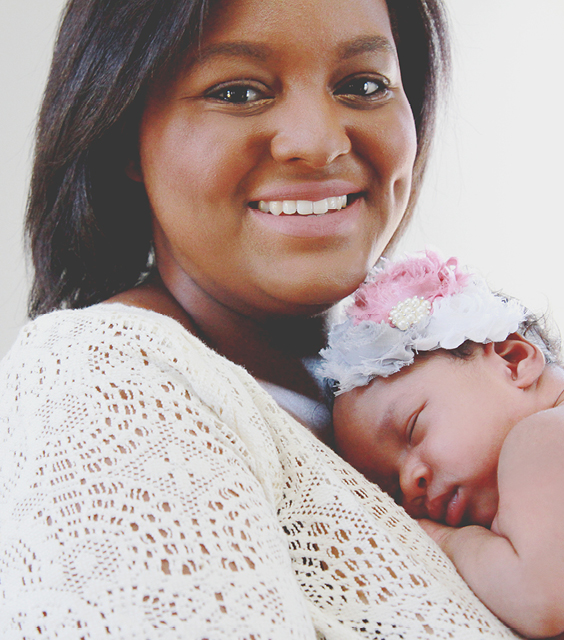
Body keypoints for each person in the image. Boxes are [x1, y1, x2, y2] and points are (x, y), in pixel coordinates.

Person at [0, 0, 523, 637]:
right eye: (239, 91)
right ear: (122, 135)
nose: (320, 142)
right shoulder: (103, 381)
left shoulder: (411, 387)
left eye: (363, 85)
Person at [322, 248, 564, 639]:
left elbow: (542, 600)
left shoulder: (543, 438)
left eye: (414, 428)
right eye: (388, 487)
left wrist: (449, 541)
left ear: (513, 359)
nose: (408, 483)